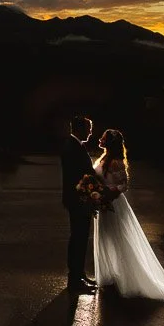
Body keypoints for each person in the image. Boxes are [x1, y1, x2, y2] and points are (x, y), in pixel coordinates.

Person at [90, 129, 164, 308]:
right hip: (103, 203)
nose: (100, 139)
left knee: (119, 240)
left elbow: (123, 184)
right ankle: (111, 273)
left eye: (103, 137)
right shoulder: (103, 158)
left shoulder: (116, 162)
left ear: (109, 142)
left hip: (114, 204)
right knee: (106, 238)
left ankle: (126, 276)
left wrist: (110, 192)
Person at [60, 116, 98, 293]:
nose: (90, 132)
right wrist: (90, 193)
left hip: (80, 199)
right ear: (79, 129)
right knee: (78, 238)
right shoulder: (71, 146)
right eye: (88, 128)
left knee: (81, 238)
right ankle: (75, 281)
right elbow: (77, 176)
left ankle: (79, 275)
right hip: (78, 200)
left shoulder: (75, 145)